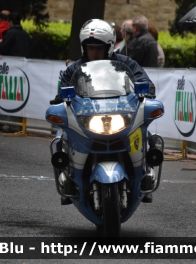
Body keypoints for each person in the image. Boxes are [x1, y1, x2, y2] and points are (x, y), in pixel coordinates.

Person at [53, 19, 155, 203]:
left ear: (108, 47)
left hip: (120, 114)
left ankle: (145, 175)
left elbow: (143, 80)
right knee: (61, 136)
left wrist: (146, 89)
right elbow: (62, 93)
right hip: (87, 117)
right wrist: (60, 99)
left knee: (146, 131)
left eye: (99, 48)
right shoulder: (74, 69)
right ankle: (67, 177)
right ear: (84, 48)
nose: (94, 52)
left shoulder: (126, 64)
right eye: (90, 48)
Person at [0, 12, 31, 132]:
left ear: (10, 22)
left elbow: (2, 49)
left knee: (10, 96)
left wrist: (1, 43)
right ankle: (19, 124)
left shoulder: (10, 33)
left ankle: (11, 124)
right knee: (19, 96)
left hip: (11, 68)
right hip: (23, 69)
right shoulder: (25, 34)